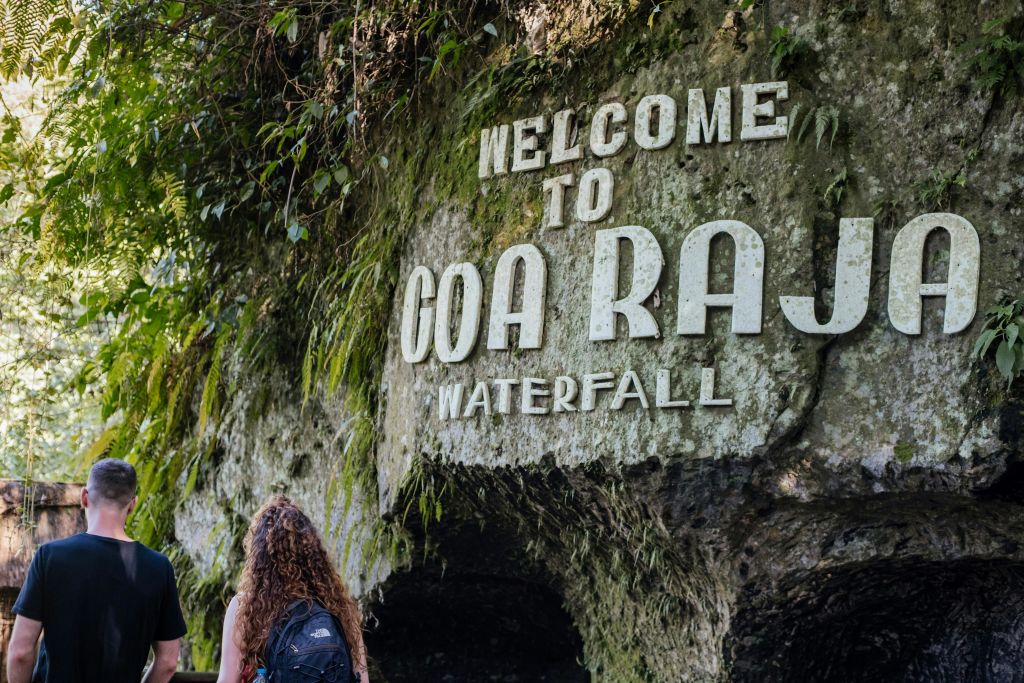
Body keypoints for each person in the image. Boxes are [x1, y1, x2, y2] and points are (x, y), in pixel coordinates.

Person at [6, 458, 187, 683]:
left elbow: (20, 653)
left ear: (84, 497)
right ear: (132, 504)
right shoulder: (159, 568)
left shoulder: (50, 557)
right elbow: (168, 662)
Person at [216, 495, 369, 683]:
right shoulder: (339, 607)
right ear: (314, 553)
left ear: (259, 557)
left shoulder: (245, 607)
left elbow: (227, 680)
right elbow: (362, 679)